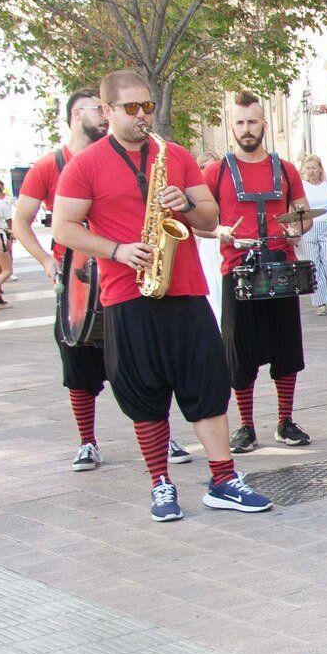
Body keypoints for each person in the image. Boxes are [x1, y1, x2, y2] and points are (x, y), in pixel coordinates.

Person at [51, 69, 273, 521]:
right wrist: (117, 250)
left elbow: (210, 220)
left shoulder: (174, 155)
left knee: (208, 387)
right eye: (131, 108)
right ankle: (160, 483)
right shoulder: (85, 164)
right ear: (108, 110)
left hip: (185, 290)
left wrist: (186, 205)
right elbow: (63, 228)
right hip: (127, 295)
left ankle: (224, 480)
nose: (141, 116)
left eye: (147, 107)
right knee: (144, 393)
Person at [18, 89, 190, 473]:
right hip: (79, 276)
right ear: (76, 116)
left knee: (140, 361)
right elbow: (21, 220)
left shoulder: (135, 156)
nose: (102, 115)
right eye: (94, 109)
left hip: (129, 273)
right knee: (79, 358)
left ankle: (159, 435)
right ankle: (87, 440)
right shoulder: (51, 164)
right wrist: (46, 260)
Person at [207, 93, 313, 453]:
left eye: (252, 122)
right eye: (240, 122)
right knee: (240, 354)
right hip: (237, 270)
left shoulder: (285, 169)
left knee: (286, 349)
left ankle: (285, 421)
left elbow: (303, 214)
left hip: (280, 266)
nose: (246, 129)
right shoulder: (216, 171)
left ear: (263, 124)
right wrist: (218, 231)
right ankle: (246, 426)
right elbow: (200, 221)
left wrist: (299, 226)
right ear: (232, 126)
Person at [299, 154, 327, 314]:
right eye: (307, 168)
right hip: (309, 227)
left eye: (313, 167)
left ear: (320, 169)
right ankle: (321, 302)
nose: (310, 171)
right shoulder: (301, 187)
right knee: (314, 265)